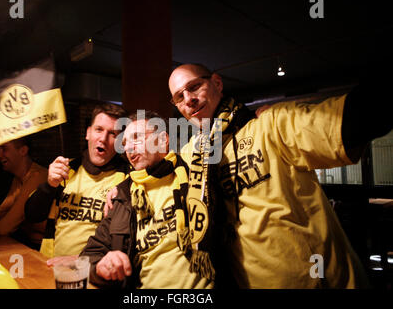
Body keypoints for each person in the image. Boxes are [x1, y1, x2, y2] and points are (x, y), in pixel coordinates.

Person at [168, 63, 392, 288]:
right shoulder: (192, 155)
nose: (188, 99)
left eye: (195, 87)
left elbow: (360, 117)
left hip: (317, 280)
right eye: (179, 97)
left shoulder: (270, 124)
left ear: (216, 83)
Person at [80, 111, 214, 289]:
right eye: (125, 143)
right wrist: (100, 267)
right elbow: (90, 255)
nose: (128, 148)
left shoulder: (195, 175)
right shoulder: (122, 197)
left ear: (163, 140)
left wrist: (257, 114)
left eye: (137, 138)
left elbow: (219, 136)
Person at [25, 103, 128, 259]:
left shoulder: (127, 178)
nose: (103, 138)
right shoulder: (66, 169)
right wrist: (49, 185)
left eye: (112, 133)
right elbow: (32, 215)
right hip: (51, 265)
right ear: (88, 133)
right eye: (98, 129)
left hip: (94, 272)